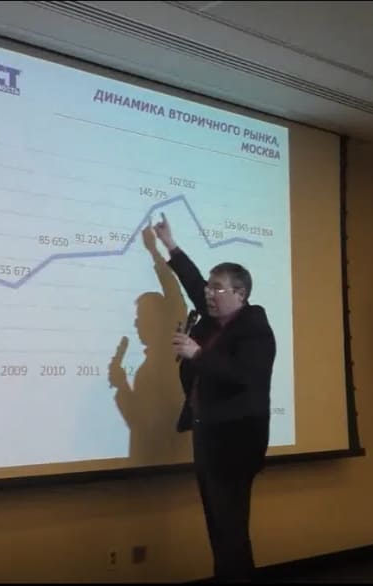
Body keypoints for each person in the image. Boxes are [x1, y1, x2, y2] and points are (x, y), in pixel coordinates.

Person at [152, 212, 276, 582]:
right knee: (218, 528)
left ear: (240, 294)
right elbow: (192, 281)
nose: (208, 292)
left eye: (217, 288)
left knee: (230, 529)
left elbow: (246, 376)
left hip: (236, 443)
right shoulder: (212, 319)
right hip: (208, 437)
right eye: (209, 286)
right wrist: (170, 246)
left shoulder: (254, 328)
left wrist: (199, 354)